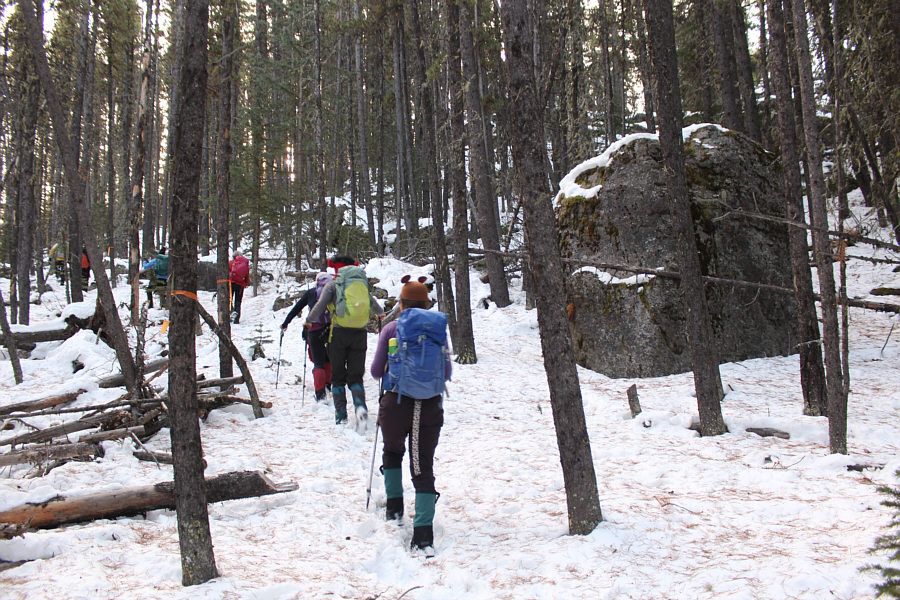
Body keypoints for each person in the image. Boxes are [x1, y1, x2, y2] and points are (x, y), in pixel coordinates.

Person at [369, 275, 451, 554]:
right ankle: (424, 536)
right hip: (429, 406)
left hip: (396, 403)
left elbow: (376, 371)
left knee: (393, 452)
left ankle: (394, 511)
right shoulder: (437, 330)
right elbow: (447, 373)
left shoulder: (392, 328)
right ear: (427, 305)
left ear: (401, 304)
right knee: (422, 465)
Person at [305, 254, 384, 426]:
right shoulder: (361, 284)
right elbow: (373, 304)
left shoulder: (334, 284)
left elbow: (320, 305)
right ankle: (360, 407)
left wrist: (309, 321)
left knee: (338, 377)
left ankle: (341, 415)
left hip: (338, 333)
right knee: (355, 376)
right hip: (360, 334)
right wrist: (380, 314)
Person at [282, 272, 333, 402]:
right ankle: (328, 384)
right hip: (332, 329)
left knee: (318, 361)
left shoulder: (311, 292)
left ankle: (320, 393)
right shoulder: (335, 293)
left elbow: (297, 307)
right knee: (329, 358)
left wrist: (286, 323)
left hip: (314, 330)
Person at [228, 250, 250, 324]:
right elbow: (247, 275)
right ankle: (236, 320)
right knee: (238, 301)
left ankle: (230, 315)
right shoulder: (244, 264)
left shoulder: (230, 263)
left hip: (231, 283)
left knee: (230, 299)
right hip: (240, 285)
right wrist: (245, 284)